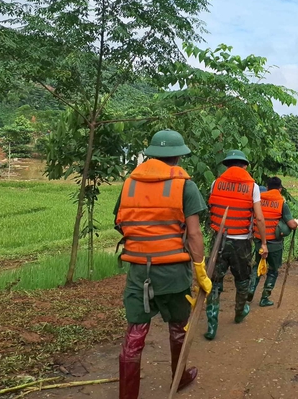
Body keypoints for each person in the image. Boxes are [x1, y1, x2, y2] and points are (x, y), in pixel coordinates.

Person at [114, 130, 212, 399]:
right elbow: (193, 234)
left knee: (135, 332)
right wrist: (200, 269)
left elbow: (120, 222)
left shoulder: (129, 184)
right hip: (172, 272)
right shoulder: (185, 186)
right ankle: (178, 378)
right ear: (178, 156)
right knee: (178, 327)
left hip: (138, 271)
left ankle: (127, 396)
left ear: (151, 154)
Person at [205, 150, 268, 340]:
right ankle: (239, 312)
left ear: (226, 165)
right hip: (241, 243)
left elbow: (211, 208)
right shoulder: (253, 187)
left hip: (218, 241)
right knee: (242, 279)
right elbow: (258, 218)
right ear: (245, 166)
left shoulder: (215, 183)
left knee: (214, 281)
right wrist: (263, 243)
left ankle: (212, 324)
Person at [248, 177, 298, 306]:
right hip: (275, 244)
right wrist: (297, 223)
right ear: (280, 189)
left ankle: (250, 289)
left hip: (260, 240)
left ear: (267, 186)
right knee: (273, 269)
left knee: (257, 266)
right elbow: (291, 224)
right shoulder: (281, 202)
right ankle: (264, 297)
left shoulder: (258, 199)